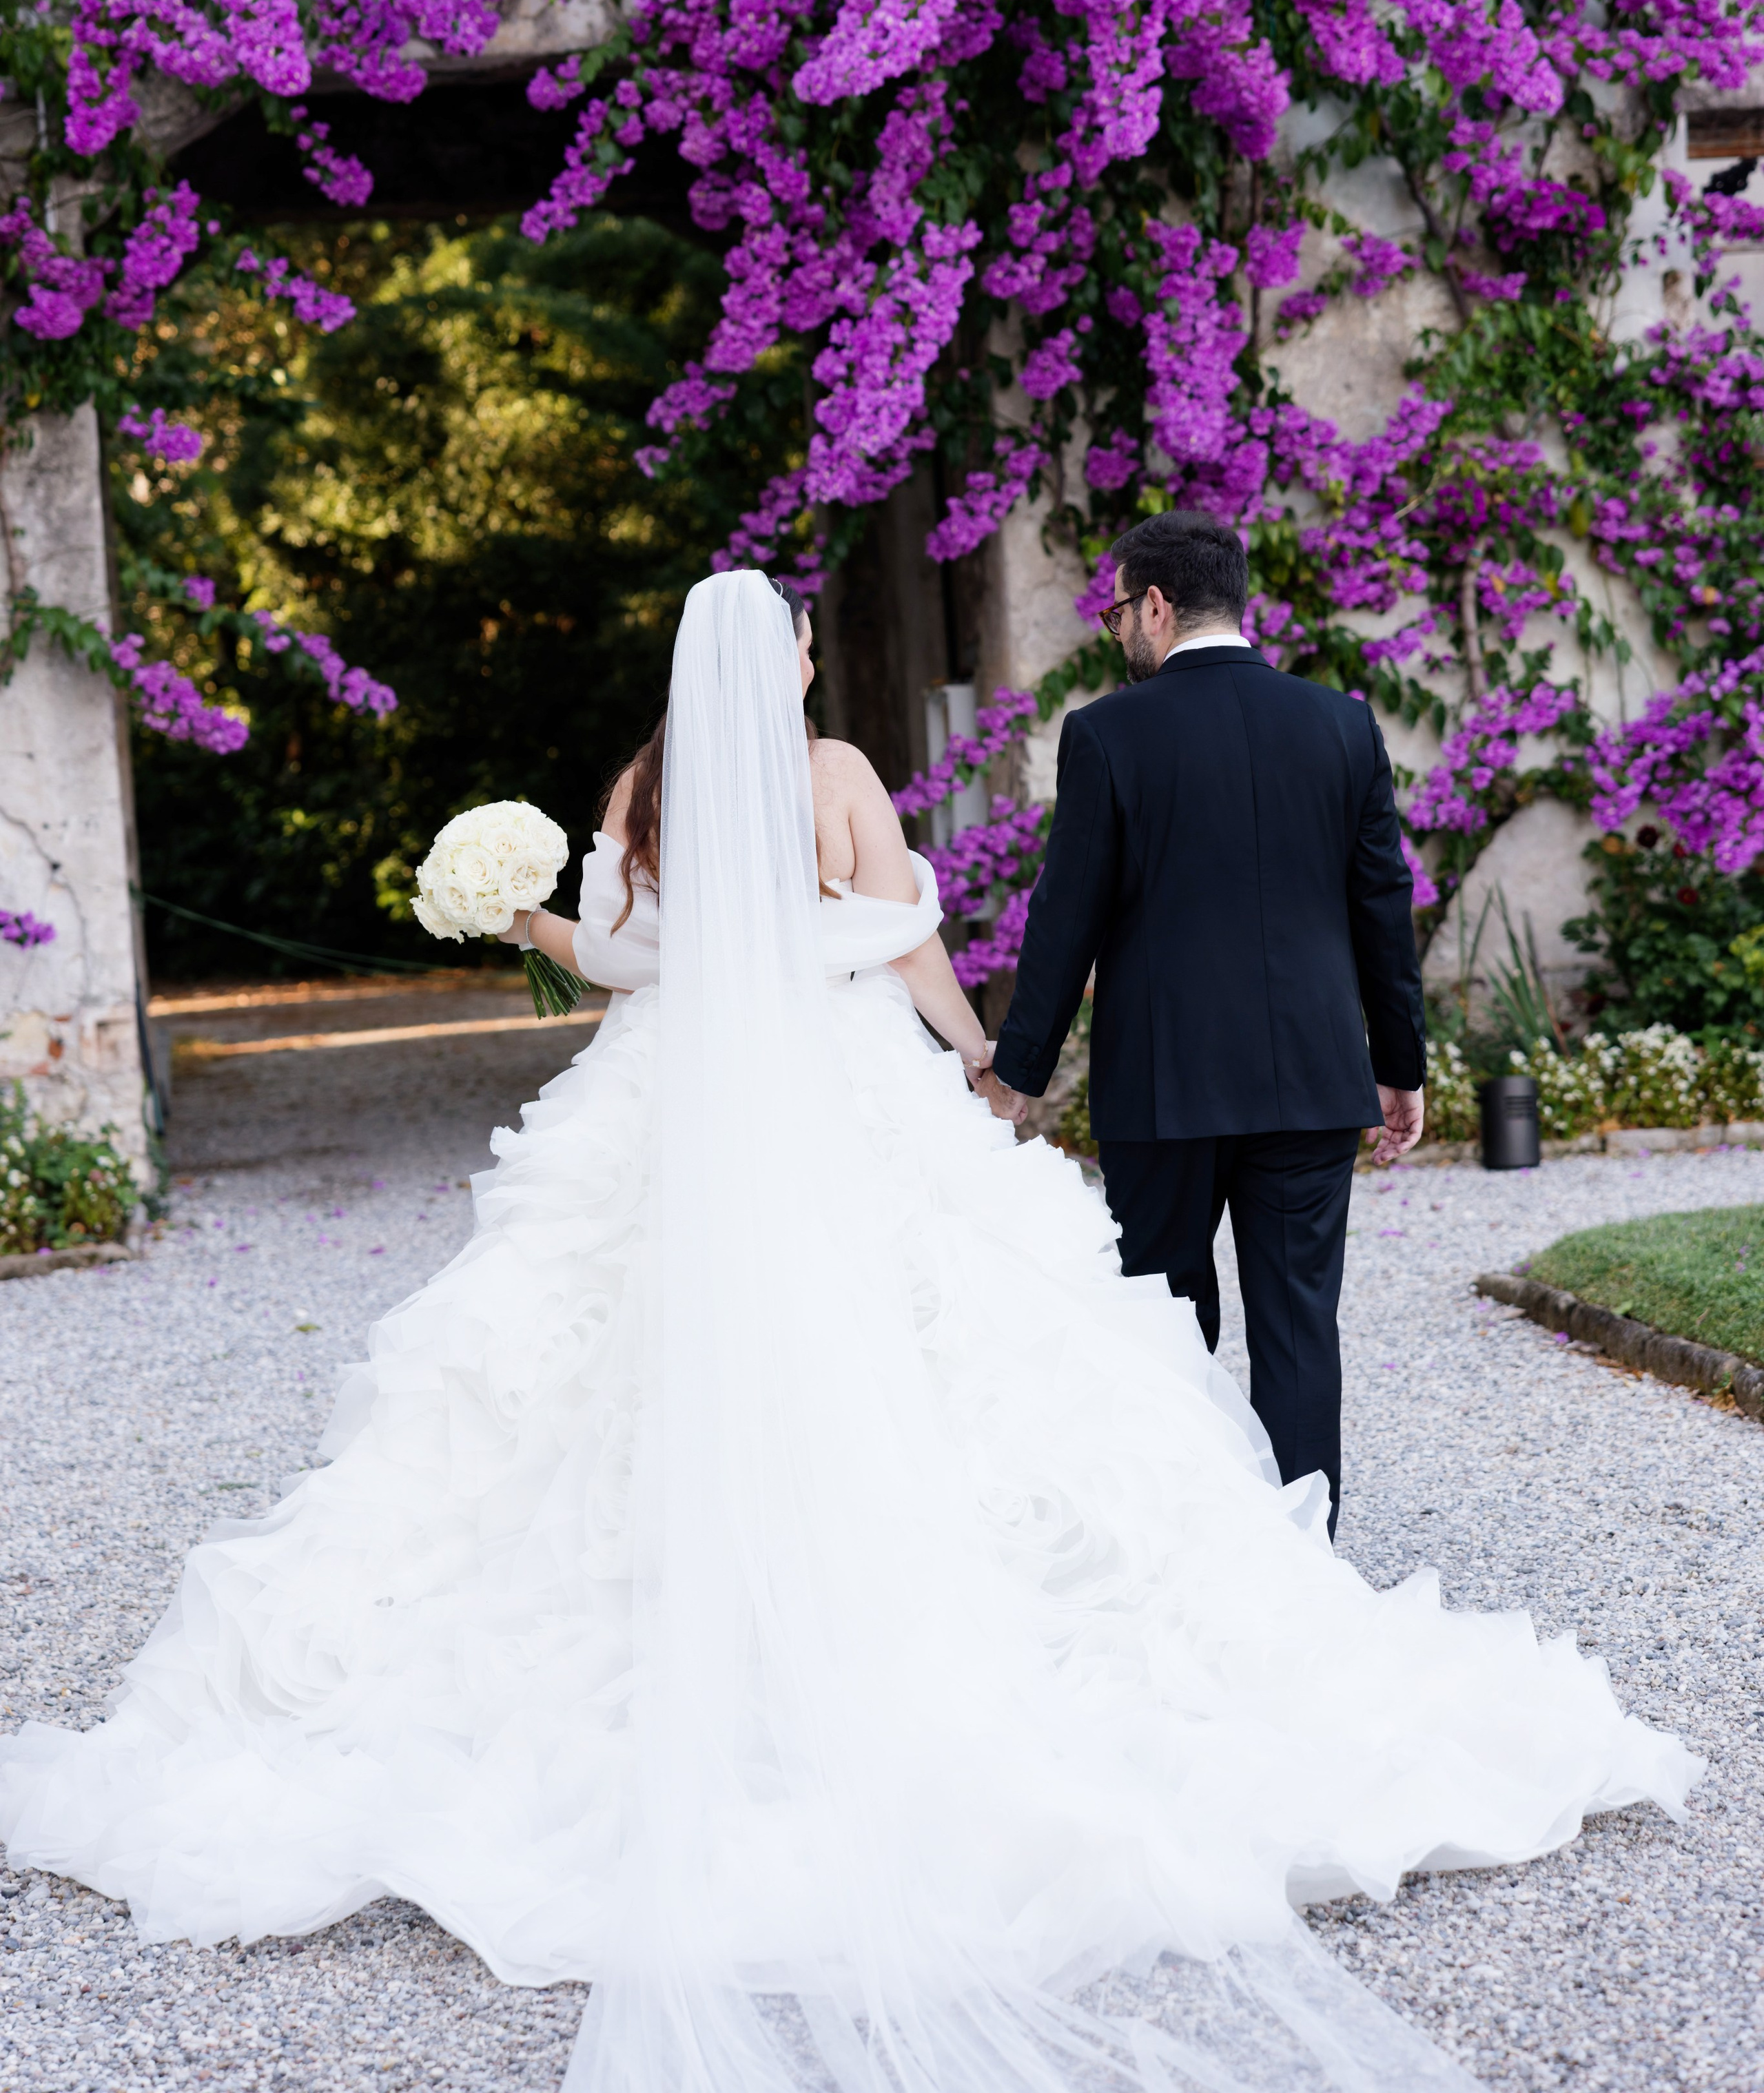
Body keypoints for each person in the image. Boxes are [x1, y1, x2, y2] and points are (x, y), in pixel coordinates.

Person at [0, 571, 1696, 2093]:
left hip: (670, 1117)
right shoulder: (833, 779)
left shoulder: (637, 791)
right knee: (965, 1356)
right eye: (810, 635)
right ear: (797, 658)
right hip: (845, 1100)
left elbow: (620, 963)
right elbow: (901, 942)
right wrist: (986, 1069)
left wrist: (513, 916)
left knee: (580, 1379)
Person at [989, 510, 1424, 1538]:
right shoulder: (1342, 723)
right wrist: (1398, 1065)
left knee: (1168, 1329)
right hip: (1314, 1082)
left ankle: (1194, 1554)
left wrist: (1019, 1072)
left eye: (1116, 612)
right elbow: (1382, 906)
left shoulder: (1107, 733)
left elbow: (1066, 918)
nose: (1115, 633)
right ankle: (1306, 1562)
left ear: (1155, 603)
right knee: (1300, 1332)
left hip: (1164, 1087)